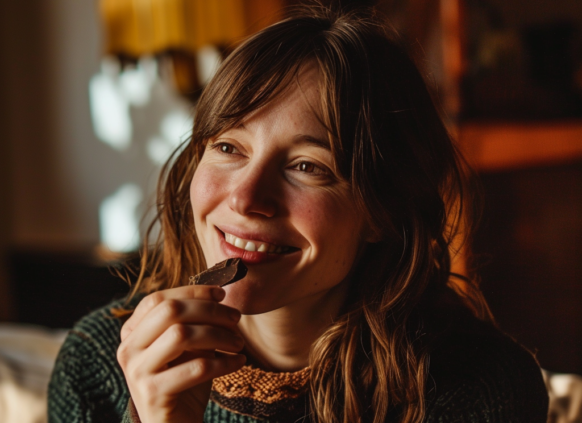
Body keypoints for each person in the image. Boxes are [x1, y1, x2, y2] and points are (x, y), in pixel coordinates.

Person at [48, 4, 549, 423]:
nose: (246, 198)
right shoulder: (98, 364)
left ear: (383, 210)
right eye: (228, 146)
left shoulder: (479, 388)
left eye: (308, 166)